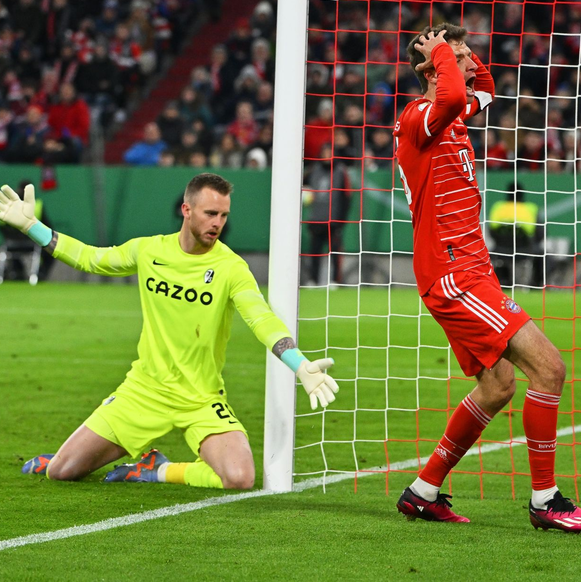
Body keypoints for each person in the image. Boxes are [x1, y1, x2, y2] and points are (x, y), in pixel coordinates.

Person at [392, 24, 581, 532]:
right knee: (549, 369)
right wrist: (442, 53)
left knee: (498, 385)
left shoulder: (451, 114)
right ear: (430, 69)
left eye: (464, 57)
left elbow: (483, 89)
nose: (466, 65)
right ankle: (545, 502)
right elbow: (457, 93)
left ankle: (423, 492)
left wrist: (455, 51)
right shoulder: (421, 117)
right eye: (456, 58)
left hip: (470, 269)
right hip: (454, 274)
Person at [0, 173, 339, 489]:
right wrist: (33, 227)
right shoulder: (149, 251)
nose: (218, 223)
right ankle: (63, 457)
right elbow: (91, 258)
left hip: (201, 398)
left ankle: (156, 469)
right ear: (186, 209)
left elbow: (261, 318)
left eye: (223, 215)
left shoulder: (231, 267)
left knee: (240, 477)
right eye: (210, 213)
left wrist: (298, 363)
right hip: (144, 391)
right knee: (63, 471)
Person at [303, 143, 351, 285]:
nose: (326, 156)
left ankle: (335, 281)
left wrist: (341, 221)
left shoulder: (341, 171)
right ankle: (313, 280)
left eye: (329, 153)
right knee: (315, 252)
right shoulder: (313, 170)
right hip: (316, 219)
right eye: (324, 153)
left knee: (335, 252)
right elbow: (303, 186)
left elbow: (347, 197)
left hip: (333, 220)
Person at [488, 183, 544, 288]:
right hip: (524, 250)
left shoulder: (498, 207)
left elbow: (491, 232)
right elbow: (540, 234)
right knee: (542, 255)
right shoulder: (531, 209)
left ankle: (500, 281)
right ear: (523, 195)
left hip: (500, 250)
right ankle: (536, 286)